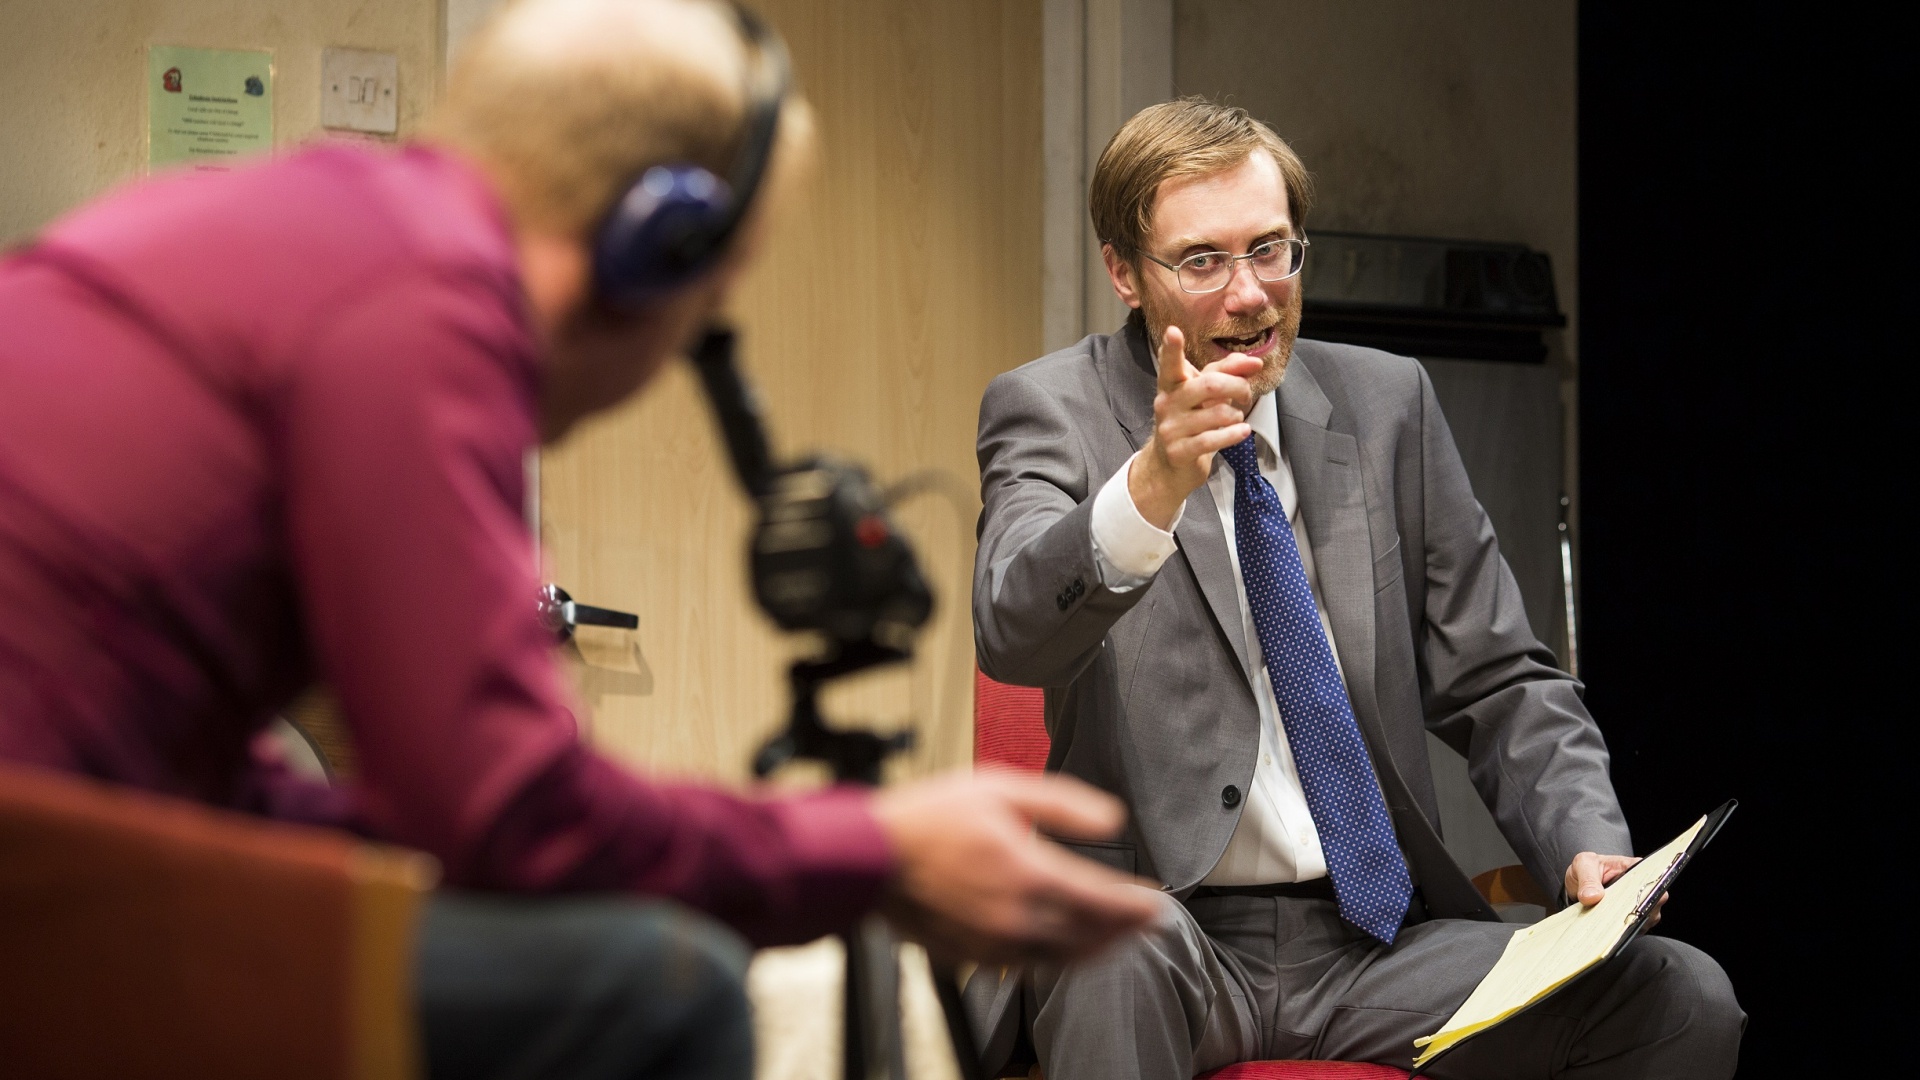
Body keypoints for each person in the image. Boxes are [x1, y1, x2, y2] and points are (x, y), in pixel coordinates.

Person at [0, 1, 1158, 1076]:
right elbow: (514, 819)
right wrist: (876, 850)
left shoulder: (311, 229)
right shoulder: (423, 306)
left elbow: (227, 779)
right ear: (654, 246)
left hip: (61, 841)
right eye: (708, 311)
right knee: (658, 986)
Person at [968, 98, 1743, 1079]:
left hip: (1377, 943)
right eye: (1202, 260)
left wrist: (1587, 844)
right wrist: (1151, 488)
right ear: (1125, 272)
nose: (1250, 295)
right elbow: (1014, 629)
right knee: (1105, 950)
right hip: (1166, 936)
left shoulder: (1388, 405)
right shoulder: (1051, 408)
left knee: (1678, 998)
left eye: (1272, 250)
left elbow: (1500, 677)